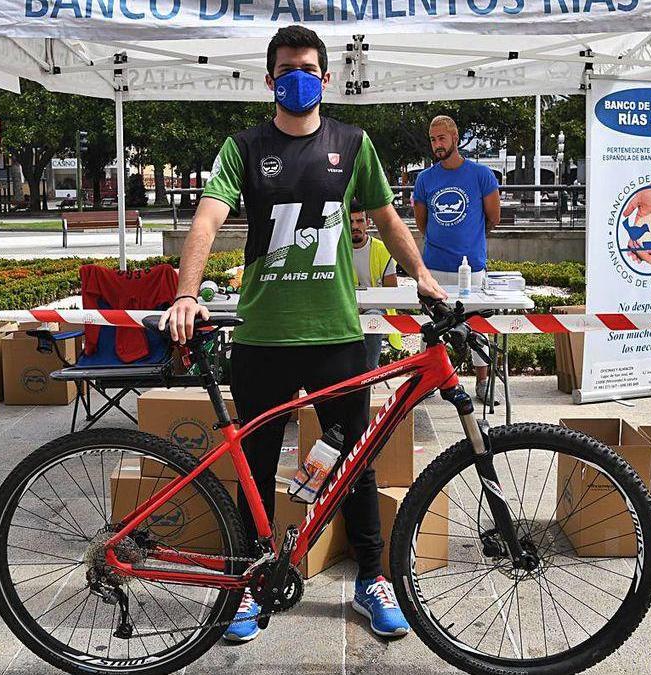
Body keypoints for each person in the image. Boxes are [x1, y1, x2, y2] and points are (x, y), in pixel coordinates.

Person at [159, 25, 446, 643]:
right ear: (270, 80)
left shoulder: (353, 142)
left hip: (337, 334)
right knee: (256, 465)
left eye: (309, 67)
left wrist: (423, 275)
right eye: (287, 67)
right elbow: (207, 221)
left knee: (353, 462)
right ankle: (246, 587)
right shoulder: (243, 147)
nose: (299, 77)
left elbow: (389, 217)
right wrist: (186, 293)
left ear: (326, 77)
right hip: (263, 336)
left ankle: (372, 579)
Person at [411, 115, 501, 404]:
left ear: (455, 138)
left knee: (476, 328)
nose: (437, 144)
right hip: (433, 269)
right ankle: (425, 381)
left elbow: (494, 218)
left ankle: (484, 382)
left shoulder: (481, 175)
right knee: (431, 329)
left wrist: (468, 241)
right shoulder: (425, 179)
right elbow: (422, 223)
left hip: (471, 269)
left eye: (442, 138)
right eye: (433, 139)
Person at [348, 199, 402, 370]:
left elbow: (391, 292)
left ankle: (368, 373)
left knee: (372, 315)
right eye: (350, 221)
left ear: (367, 222)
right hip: (347, 308)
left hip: (376, 308)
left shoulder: (382, 249)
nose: (355, 226)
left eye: (359, 220)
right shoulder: (337, 250)